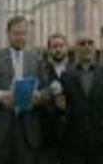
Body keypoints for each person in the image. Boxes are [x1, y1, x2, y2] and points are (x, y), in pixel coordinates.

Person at [0, 15, 48, 164]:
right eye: (16, 33)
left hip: (27, 132)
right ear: (8, 34)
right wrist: (0, 96)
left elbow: (46, 89)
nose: (20, 37)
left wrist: (39, 96)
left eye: (23, 33)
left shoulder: (36, 59)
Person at [55, 32, 103, 164]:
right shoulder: (66, 76)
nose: (86, 47)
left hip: (102, 144)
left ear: (94, 47)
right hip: (74, 146)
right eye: (82, 44)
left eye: (90, 43)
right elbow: (62, 110)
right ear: (76, 49)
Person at [40, 33, 70, 164]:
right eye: (54, 46)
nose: (58, 49)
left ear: (66, 48)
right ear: (49, 49)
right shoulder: (41, 70)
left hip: (71, 134)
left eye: (61, 46)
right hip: (47, 134)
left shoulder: (75, 69)